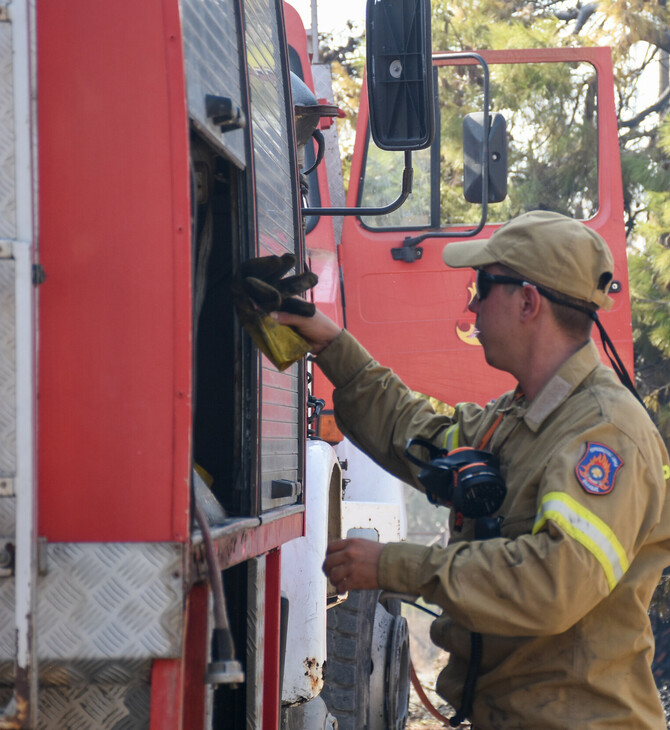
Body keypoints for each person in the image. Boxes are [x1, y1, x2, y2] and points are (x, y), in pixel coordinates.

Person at [274, 210, 670, 729]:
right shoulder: (520, 418)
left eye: (483, 286)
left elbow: (553, 582)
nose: (471, 302)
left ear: (528, 301)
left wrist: (398, 565)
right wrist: (328, 343)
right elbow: (422, 438)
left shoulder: (604, 433)